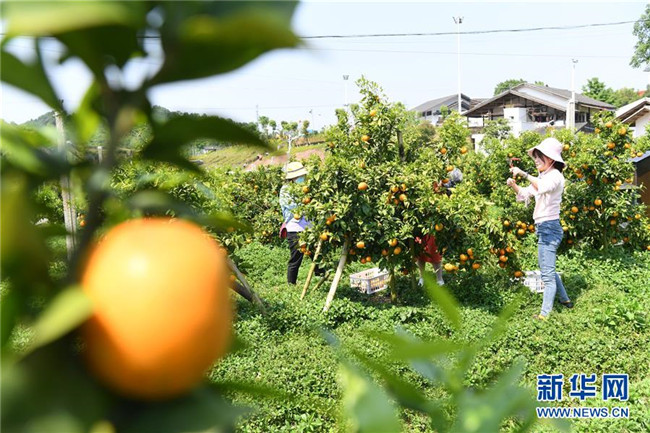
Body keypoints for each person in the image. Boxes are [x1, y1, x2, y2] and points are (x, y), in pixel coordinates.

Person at [506, 137, 574, 321]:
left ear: (550, 159)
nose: (536, 160)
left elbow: (542, 187)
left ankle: (544, 315)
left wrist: (523, 174)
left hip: (550, 228)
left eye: (539, 157)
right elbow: (524, 194)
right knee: (547, 268)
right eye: (535, 157)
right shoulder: (543, 177)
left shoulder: (555, 176)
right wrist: (514, 185)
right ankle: (565, 300)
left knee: (547, 274)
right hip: (544, 227)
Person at [279, 161, 322, 285]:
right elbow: (293, 206)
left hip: (310, 228)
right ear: (292, 177)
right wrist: (307, 202)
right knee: (296, 257)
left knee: (317, 255)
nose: (301, 178)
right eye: (299, 176)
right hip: (295, 228)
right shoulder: (285, 190)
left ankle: (322, 278)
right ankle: (291, 284)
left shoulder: (307, 186)